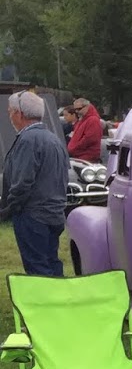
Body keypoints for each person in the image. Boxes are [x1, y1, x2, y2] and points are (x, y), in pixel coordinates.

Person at [3, 90, 71, 276]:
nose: (10, 116)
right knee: (52, 264)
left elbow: (22, 183)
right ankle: (60, 302)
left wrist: (10, 209)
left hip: (33, 216)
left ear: (20, 113)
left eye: (10, 111)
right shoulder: (53, 138)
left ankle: (45, 304)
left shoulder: (28, 140)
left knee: (37, 270)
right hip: (54, 213)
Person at [66, 98, 103, 163]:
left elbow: (89, 139)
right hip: (80, 157)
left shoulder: (93, 120)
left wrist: (73, 149)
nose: (77, 111)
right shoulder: (84, 119)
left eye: (79, 109)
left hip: (85, 159)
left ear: (87, 107)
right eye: (75, 109)